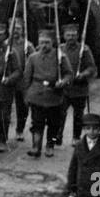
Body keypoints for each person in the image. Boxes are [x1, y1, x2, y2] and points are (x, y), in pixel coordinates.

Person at [22, 31, 67, 159]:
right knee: (37, 122)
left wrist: (63, 82)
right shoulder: (33, 58)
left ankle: (50, 146)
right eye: (41, 42)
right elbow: (26, 78)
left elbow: (69, 74)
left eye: (47, 42)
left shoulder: (60, 57)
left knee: (53, 124)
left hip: (54, 95)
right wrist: (26, 95)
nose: (44, 45)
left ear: (52, 43)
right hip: (37, 95)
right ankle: (36, 146)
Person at [57, 23, 96, 143]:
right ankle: (57, 137)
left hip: (79, 88)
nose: (71, 38)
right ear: (64, 36)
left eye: (73, 35)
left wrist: (83, 74)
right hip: (64, 88)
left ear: (78, 36)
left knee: (78, 116)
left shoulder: (84, 49)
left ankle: (76, 137)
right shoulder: (60, 49)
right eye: (68, 35)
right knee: (60, 114)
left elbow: (91, 67)